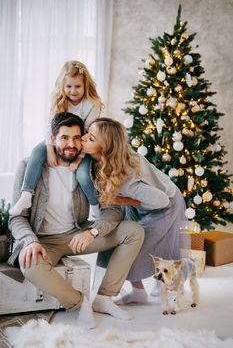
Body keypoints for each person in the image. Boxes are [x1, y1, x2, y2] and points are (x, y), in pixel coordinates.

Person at [8, 113, 145, 328]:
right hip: (44, 241)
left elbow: (113, 211)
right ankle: (80, 303)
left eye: (76, 137)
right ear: (52, 139)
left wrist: (92, 232)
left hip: (77, 235)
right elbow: (16, 216)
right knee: (31, 266)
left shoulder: (89, 169)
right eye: (64, 138)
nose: (71, 144)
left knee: (134, 231)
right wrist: (30, 241)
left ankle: (104, 297)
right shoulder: (28, 167)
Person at [81, 117, 189, 305]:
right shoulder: (103, 161)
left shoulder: (128, 180)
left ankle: (172, 289)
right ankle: (138, 291)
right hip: (139, 201)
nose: (83, 139)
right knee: (125, 241)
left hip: (165, 205)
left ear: (105, 148)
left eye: (90, 138)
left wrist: (121, 200)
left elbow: (161, 200)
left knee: (135, 247)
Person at [10, 60, 102, 217]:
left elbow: (87, 132)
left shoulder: (92, 103)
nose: (73, 91)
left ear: (86, 85)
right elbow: (50, 126)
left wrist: (79, 158)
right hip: (58, 140)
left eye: (77, 86)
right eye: (68, 86)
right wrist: (49, 148)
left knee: (83, 175)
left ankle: (95, 206)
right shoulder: (57, 99)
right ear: (62, 86)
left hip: (81, 143)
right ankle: (26, 194)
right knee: (36, 153)